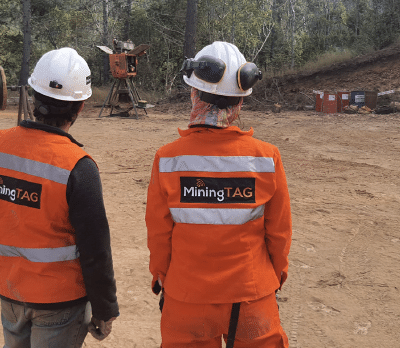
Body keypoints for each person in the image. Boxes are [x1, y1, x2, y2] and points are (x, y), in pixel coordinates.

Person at [146, 41, 292, 348]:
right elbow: (278, 233)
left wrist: (161, 275)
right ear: (241, 100)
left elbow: (159, 234)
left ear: (193, 93)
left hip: (187, 298)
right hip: (252, 297)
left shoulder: (168, 159)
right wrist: (274, 276)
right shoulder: (266, 158)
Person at [0, 47, 119, 348]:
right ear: (79, 107)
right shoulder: (78, 166)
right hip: (59, 302)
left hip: (9, 292)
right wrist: (105, 309)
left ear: (33, 95)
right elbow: (95, 248)